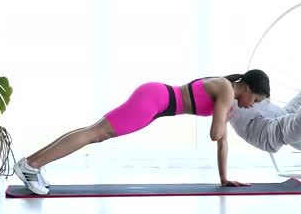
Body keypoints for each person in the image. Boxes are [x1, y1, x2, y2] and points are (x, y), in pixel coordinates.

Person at [14, 70, 270, 195]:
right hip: (156, 101)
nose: (252, 105)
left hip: (156, 98)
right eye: (255, 99)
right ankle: (31, 165)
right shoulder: (226, 90)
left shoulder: (225, 90)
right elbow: (216, 134)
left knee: (93, 131)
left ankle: (30, 164)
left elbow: (222, 142)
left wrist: (225, 179)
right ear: (246, 87)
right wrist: (223, 117)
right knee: (96, 133)